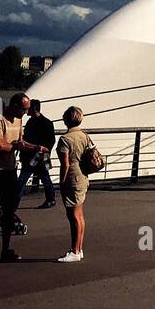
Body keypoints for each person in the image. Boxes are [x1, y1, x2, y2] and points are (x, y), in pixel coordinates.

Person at [0, 93, 39, 265]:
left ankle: (5, 250)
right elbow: (0, 145)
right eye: (24, 109)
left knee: (9, 212)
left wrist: (37, 148)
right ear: (15, 106)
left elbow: (21, 142)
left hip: (9, 171)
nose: (26, 113)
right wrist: (17, 146)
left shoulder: (18, 121)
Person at [56, 106, 96, 262]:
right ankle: (79, 249)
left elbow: (65, 164)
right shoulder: (85, 136)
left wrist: (61, 181)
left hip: (72, 178)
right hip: (83, 176)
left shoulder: (65, 139)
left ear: (66, 119)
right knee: (80, 215)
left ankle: (74, 251)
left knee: (73, 216)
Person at [18, 98, 57, 210]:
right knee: (45, 178)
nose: (26, 111)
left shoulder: (32, 122)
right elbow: (51, 141)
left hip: (34, 156)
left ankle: (14, 202)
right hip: (41, 156)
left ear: (33, 109)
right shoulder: (47, 122)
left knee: (23, 179)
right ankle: (51, 199)